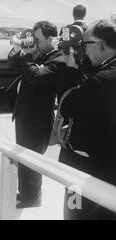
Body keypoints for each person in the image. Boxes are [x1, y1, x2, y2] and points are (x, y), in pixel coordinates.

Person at [57, 19, 116, 220]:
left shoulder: (100, 81)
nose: (83, 50)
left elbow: (67, 105)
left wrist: (72, 68)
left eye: (85, 45)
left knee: (76, 214)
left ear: (99, 45)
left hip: (89, 170)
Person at [8, 21, 66, 209]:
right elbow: (12, 64)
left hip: (38, 118)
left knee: (32, 159)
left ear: (51, 39)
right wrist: (19, 49)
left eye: (38, 40)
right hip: (24, 114)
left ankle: (32, 197)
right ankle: (25, 191)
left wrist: (27, 55)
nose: (36, 43)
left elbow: (36, 76)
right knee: (23, 157)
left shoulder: (57, 60)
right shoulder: (36, 54)